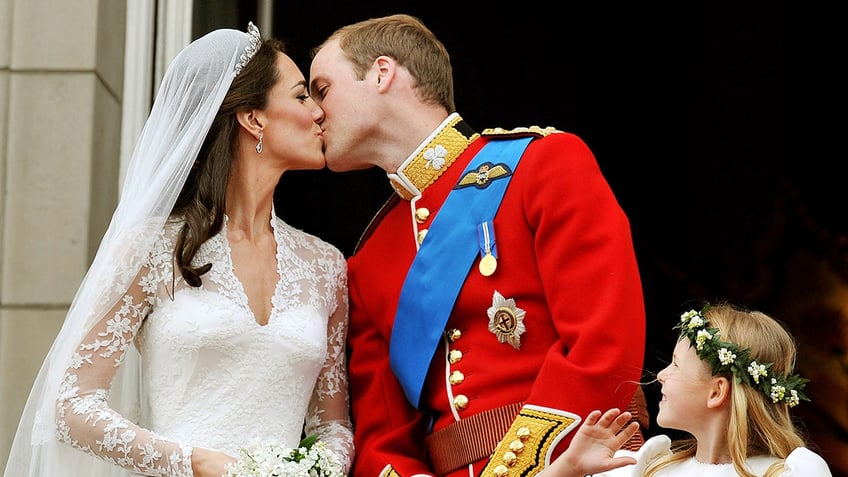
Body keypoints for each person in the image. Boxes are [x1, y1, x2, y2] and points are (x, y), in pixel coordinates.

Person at [3, 22, 353, 477]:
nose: (319, 112)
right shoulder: (150, 247)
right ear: (254, 118)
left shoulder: (326, 265)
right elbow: (70, 406)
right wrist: (196, 463)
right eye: (302, 96)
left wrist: (312, 471)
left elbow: (333, 425)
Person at [309, 13, 647, 477]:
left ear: (382, 73)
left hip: (578, 462)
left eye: (322, 89)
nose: (312, 111)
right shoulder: (368, 260)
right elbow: (382, 439)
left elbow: (604, 347)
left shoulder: (542, 165)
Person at [540, 302, 833, 477]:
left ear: (716, 392)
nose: (661, 376)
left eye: (676, 365)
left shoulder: (789, 473)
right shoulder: (649, 469)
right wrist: (568, 466)